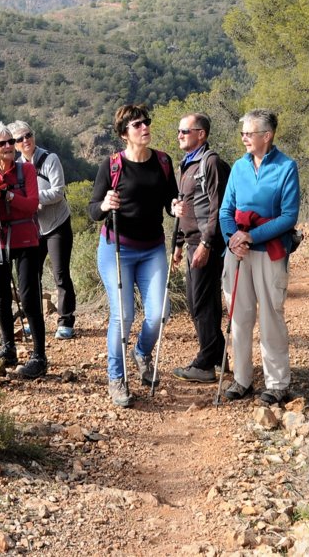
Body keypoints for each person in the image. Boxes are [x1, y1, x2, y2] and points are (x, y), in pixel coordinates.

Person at [88, 103, 177, 407]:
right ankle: (117, 377)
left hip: (152, 248)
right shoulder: (111, 166)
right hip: (117, 249)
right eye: (137, 125)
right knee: (123, 315)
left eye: (146, 122)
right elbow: (92, 210)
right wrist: (104, 205)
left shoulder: (163, 162)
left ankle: (141, 352)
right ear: (124, 134)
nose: (144, 128)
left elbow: (170, 201)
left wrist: (176, 207)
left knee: (159, 314)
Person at [219, 109, 300, 406]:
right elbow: (225, 210)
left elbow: (289, 216)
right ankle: (242, 379)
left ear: (267, 136)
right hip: (238, 252)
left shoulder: (286, 167)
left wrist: (252, 236)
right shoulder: (239, 167)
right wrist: (233, 238)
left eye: (248, 133)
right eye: (242, 133)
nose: (243, 138)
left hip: (269, 252)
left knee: (270, 316)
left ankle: (277, 383)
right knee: (239, 318)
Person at [0, 121, 48, 379]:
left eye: (11, 142)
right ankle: (8, 347)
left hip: (26, 240)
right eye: (3, 143)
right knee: (1, 297)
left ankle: (39, 355)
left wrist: (8, 196)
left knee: (30, 298)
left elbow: (32, 205)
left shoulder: (26, 170)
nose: (10, 146)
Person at [170, 113, 229, 384]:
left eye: (185, 130)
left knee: (201, 305)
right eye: (179, 131)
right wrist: (179, 243)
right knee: (200, 304)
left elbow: (218, 207)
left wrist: (206, 243)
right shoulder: (189, 163)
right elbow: (186, 206)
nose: (179, 134)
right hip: (192, 242)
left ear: (201, 134)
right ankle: (218, 356)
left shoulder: (211, 162)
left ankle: (205, 363)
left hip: (206, 244)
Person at [12, 121, 76, 340]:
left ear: (33, 135)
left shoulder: (50, 159)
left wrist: (33, 200)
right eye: (19, 139)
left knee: (60, 274)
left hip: (57, 223)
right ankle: (34, 320)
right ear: (15, 144)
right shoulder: (17, 166)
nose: (25, 141)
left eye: (27, 135)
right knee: (31, 275)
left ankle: (65, 321)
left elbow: (58, 191)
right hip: (33, 229)